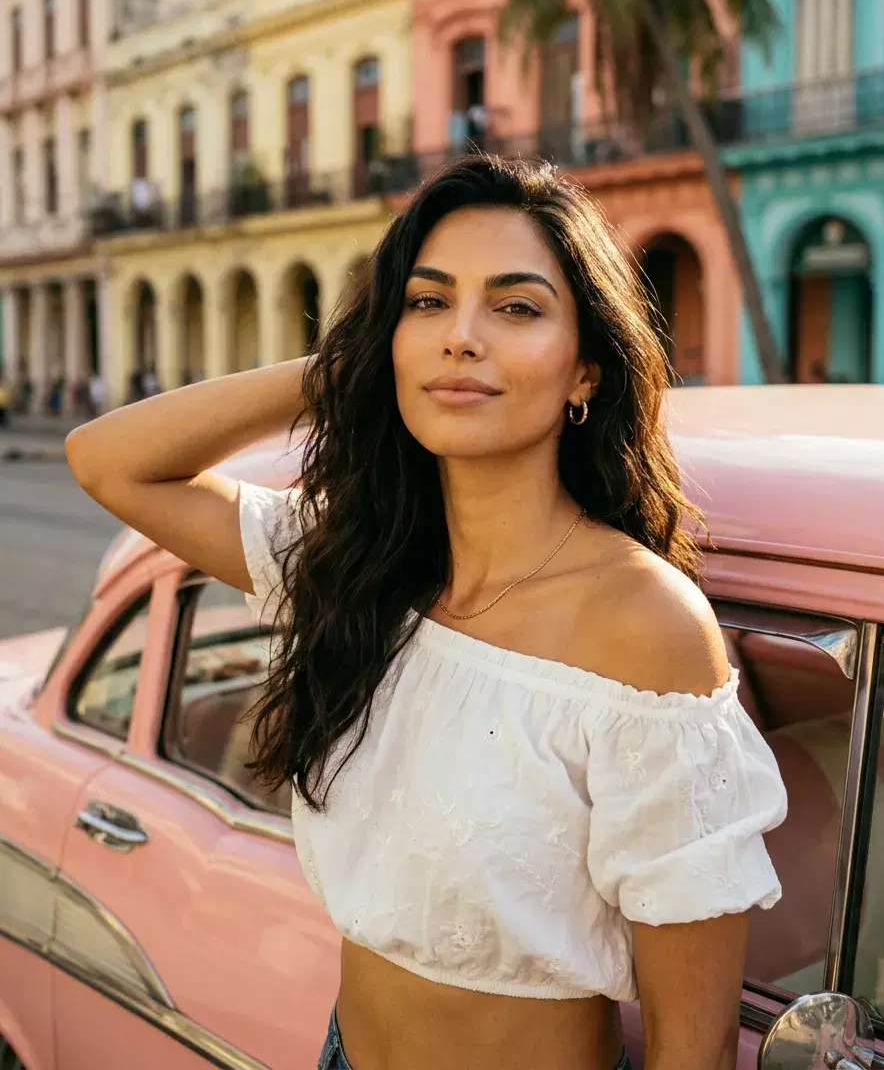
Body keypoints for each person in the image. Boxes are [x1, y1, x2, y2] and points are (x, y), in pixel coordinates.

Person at [65, 155, 787, 1070]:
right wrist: (351, 363)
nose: (462, 338)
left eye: (517, 308)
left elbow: (695, 1050)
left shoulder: (644, 627)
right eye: (427, 302)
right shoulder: (358, 568)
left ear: (586, 374)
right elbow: (107, 461)